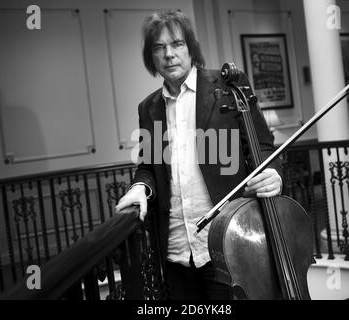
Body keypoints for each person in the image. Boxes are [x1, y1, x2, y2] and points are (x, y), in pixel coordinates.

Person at [115, 10, 283, 300]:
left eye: (177, 44)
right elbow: (149, 166)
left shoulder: (228, 87)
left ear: (191, 48)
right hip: (177, 252)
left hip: (229, 244)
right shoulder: (148, 108)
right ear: (151, 57)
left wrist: (274, 174)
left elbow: (264, 147)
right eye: (159, 47)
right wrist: (140, 187)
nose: (169, 54)